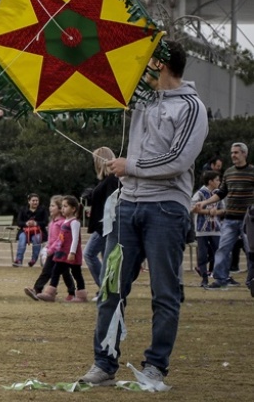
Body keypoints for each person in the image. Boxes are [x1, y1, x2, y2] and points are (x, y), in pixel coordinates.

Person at [78, 42, 208, 388]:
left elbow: (178, 160)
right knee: (110, 287)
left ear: (161, 65)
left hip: (166, 209)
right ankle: (104, 363)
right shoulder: (143, 100)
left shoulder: (193, 107)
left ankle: (155, 366)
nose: (142, 68)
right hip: (128, 207)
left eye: (148, 61)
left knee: (165, 292)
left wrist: (129, 166)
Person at [202, 142, 253, 290]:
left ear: (244, 154)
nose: (233, 155)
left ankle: (251, 280)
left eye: (236, 152)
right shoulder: (229, 172)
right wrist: (205, 202)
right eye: (232, 153)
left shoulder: (252, 172)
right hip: (230, 219)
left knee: (251, 252)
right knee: (222, 249)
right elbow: (221, 193)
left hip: (248, 220)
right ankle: (220, 279)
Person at [23, 195, 75, 301]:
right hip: (53, 251)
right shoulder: (52, 223)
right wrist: (47, 246)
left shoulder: (62, 223)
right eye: (50, 206)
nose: (50, 208)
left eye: (52, 206)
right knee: (47, 271)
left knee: (65, 273)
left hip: (61, 252)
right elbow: (52, 238)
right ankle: (37, 289)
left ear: (60, 208)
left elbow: (61, 239)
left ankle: (71, 292)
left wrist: (51, 249)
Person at [36, 196, 87, 302]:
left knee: (76, 273)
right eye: (62, 206)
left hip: (71, 254)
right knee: (55, 271)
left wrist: (72, 252)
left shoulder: (74, 222)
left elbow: (75, 239)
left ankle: (81, 295)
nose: (63, 209)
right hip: (62, 254)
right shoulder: (64, 222)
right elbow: (60, 239)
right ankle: (50, 293)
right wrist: (53, 250)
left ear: (73, 209)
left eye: (65, 206)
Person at [84, 148, 119, 296]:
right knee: (105, 259)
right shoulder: (107, 180)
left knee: (90, 254)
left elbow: (111, 201)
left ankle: (105, 288)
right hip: (103, 224)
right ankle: (107, 289)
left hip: (106, 225)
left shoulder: (111, 179)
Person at [191, 171, 223, 288]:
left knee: (217, 253)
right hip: (202, 229)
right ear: (210, 182)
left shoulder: (218, 194)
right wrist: (208, 211)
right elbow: (193, 208)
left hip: (216, 228)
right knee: (202, 255)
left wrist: (217, 212)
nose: (219, 182)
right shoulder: (200, 193)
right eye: (217, 180)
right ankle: (204, 278)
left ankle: (218, 277)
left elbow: (223, 209)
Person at [13, 194, 48, 267]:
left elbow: (45, 222)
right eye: (33, 201)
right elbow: (19, 222)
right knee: (22, 239)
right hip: (24, 231)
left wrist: (36, 223)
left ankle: (33, 259)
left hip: (38, 231)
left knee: (37, 238)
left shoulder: (43, 209)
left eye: (37, 200)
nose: (35, 202)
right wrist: (26, 223)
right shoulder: (23, 209)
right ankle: (18, 260)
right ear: (29, 201)